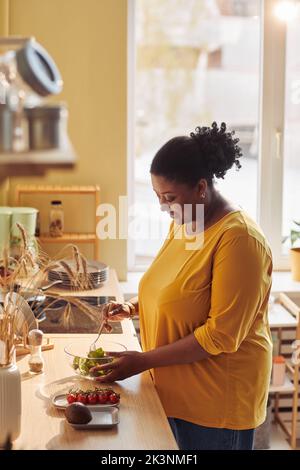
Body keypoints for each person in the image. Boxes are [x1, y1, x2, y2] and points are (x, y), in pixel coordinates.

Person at [92, 122, 273, 450]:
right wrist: (131, 308)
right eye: (157, 196)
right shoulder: (187, 221)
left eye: (169, 197)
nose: (162, 206)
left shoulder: (239, 240)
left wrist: (143, 360)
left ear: (201, 187)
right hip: (174, 392)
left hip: (215, 405)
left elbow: (221, 335)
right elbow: (173, 288)